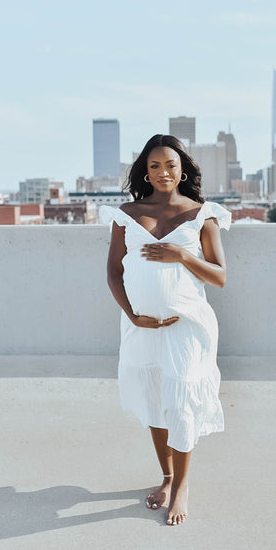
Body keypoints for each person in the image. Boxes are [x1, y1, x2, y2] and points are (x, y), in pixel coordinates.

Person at [98, 134, 232, 526]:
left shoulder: (202, 214)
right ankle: (167, 476)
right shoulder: (126, 213)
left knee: (183, 403)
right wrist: (132, 316)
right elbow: (113, 272)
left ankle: (182, 486)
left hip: (187, 329)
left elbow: (220, 278)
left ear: (183, 169)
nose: (162, 173)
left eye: (170, 165)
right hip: (141, 328)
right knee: (155, 403)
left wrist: (181, 255)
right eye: (153, 166)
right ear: (145, 171)